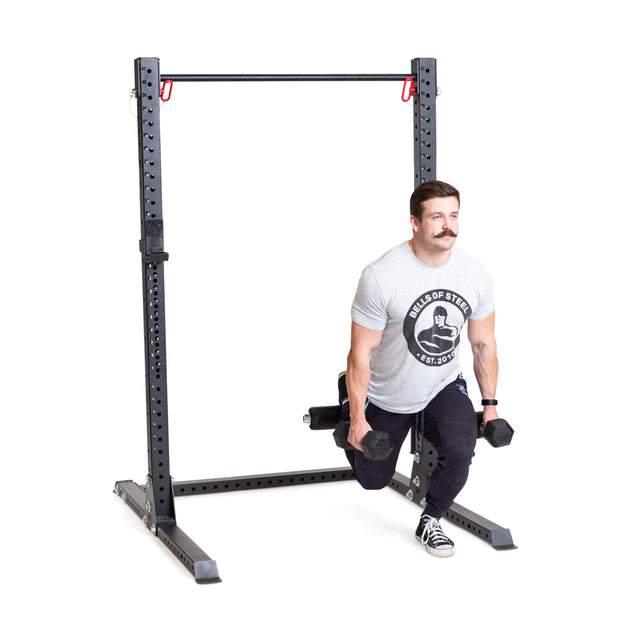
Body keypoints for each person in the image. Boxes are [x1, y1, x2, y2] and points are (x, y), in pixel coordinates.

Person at [344, 180, 500, 557]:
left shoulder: (474, 274)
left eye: (453, 215)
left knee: (462, 448)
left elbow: (483, 344)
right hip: (387, 389)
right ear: (415, 222)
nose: (448, 225)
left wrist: (491, 404)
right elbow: (360, 353)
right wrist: (356, 418)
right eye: (436, 217)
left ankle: (432, 519)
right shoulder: (382, 275)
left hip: (441, 384)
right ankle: (345, 417)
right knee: (372, 479)